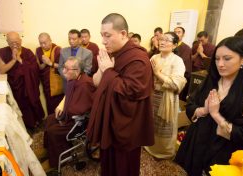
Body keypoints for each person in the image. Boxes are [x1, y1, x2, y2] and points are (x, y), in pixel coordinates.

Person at [174, 36, 243, 175]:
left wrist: (216, 115)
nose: (220, 64)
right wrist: (203, 110)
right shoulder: (211, 80)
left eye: (227, 58)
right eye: (217, 59)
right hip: (195, 143)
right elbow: (191, 105)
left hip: (222, 151)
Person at [87, 13, 154, 176]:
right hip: (110, 120)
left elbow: (131, 91)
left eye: (107, 35)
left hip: (126, 125)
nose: (103, 41)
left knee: (124, 166)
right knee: (108, 163)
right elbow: (96, 82)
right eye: (102, 35)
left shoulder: (138, 58)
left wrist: (109, 71)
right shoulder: (112, 53)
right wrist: (103, 69)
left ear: (123, 34)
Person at [44, 57, 95, 168]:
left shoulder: (85, 84)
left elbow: (82, 109)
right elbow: (68, 96)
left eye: (67, 69)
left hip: (79, 121)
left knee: (53, 131)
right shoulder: (74, 79)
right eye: (64, 67)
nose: (63, 71)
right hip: (69, 115)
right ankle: (49, 149)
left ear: (77, 71)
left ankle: (58, 160)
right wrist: (61, 106)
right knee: (49, 119)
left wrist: (63, 117)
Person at [144, 32, 186, 159]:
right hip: (152, 95)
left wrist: (157, 73)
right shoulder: (154, 58)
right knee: (151, 122)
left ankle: (163, 151)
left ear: (174, 45)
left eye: (167, 40)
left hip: (167, 97)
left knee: (164, 125)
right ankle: (149, 145)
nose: (162, 42)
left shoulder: (177, 61)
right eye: (161, 39)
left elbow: (176, 83)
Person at [0, 31, 44, 129]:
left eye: (16, 42)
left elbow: (34, 69)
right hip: (15, 86)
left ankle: (36, 123)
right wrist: (13, 60)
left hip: (29, 85)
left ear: (20, 40)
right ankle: (26, 126)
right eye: (11, 42)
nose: (14, 45)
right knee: (20, 106)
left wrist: (19, 59)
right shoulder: (3, 52)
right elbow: (1, 70)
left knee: (32, 103)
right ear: (7, 42)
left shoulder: (28, 52)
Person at [35, 32, 64, 114]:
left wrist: (49, 62)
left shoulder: (58, 49)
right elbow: (39, 67)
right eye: (41, 43)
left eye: (45, 42)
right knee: (49, 102)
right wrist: (44, 63)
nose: (43, 45)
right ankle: (51, 121)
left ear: (50, 40)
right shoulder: (38, 50)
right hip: (46, 83)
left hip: (57, 83)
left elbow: (63, 67)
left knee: (59, 104)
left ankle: (60, 120)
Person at [174, 26, 192, 101]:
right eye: (175, 32)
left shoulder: (186, 48)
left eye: (179, 32)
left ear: (183, 34)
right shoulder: (171, 46)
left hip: (180, 76)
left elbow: (182, 61)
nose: (176, 34)